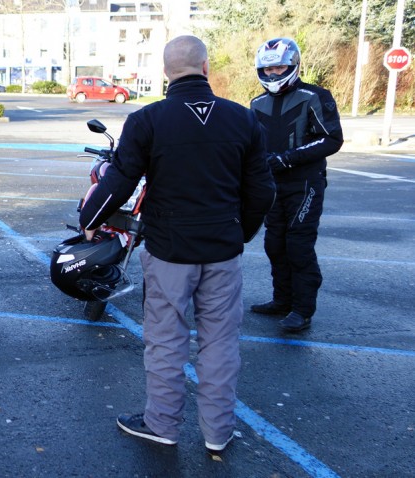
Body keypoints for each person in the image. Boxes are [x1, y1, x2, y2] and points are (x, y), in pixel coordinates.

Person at [78, 35, 275, 452]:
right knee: (220, 343)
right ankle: (218, 434)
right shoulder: (242, 119)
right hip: (222, 251)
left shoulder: (149, 120)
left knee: (167, 341)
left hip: (169, 252)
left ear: (165, 73)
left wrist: (90, 220)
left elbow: (119, 180)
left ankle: (162, 424)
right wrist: (240, 232)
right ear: (206, 68)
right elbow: (262, 193)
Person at [249, 38, 343, 332]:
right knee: (274, 244)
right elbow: (251, 145)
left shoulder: (314, 95)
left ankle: (302, 310)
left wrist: (288, 158)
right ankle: (282, 300)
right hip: (272, 185)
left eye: (280, 67)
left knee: (298, 245)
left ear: (293, 65)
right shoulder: (256, 103)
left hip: (305, 184)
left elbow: (332, 139)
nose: (274, 74)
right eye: (269, 69)